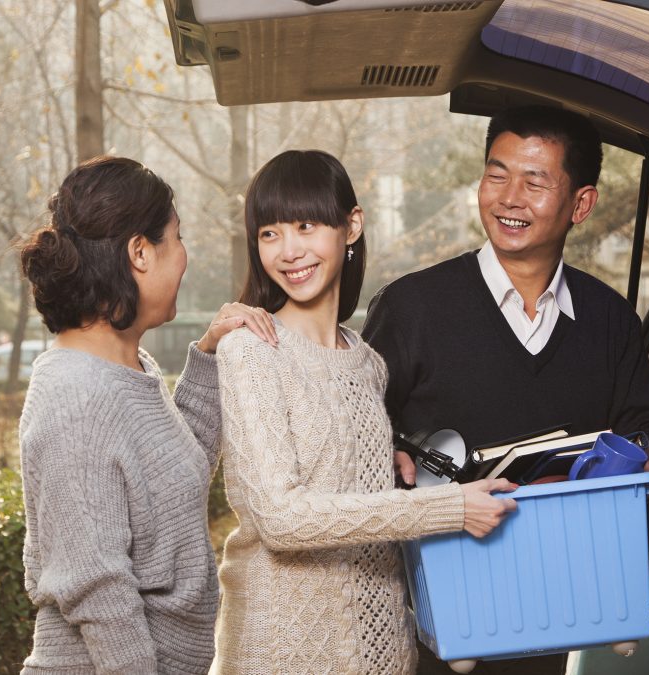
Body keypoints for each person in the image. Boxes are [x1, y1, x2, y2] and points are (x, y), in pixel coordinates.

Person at [363, 106, 649, 674]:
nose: (509, 198)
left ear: (580, 204)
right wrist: (387, 457)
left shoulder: (610, 319)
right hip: (446, 626)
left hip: (563, 617)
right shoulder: (413, 307)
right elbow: (359, 434)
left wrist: (633, 460)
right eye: (497, 174)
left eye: (535, 181)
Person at [212, 149, 519, 674]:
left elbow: (356, 498)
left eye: (306, 226)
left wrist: (392, 462)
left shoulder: (367, 362)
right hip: (286, 654)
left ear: (351, 225)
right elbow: (282, 520)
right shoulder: (250, 352)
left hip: (385, 653)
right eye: (269, 233)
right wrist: (449, 509)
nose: (289, 251)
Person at [17, 156, 276, 674]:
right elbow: (98, 589)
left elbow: (174, 482)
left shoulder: (124, 368)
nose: (184, 258)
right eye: (177, 239)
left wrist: (206, 355)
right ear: (139, 252)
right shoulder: (77, 396)